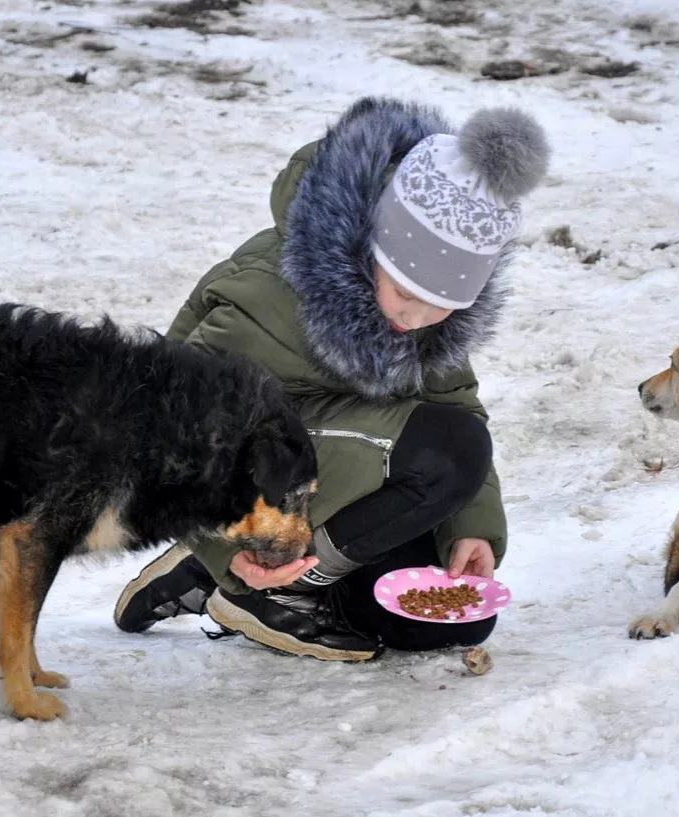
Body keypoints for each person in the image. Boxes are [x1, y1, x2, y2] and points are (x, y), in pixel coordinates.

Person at [113, 96, 549, 661]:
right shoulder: (271, 295)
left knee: (446, 626)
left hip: (343, 483)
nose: (415, 319)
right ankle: (258, 584)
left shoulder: (422, 312)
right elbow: (175, 437)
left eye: (441, 305)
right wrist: (228, 554)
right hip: (253, 468)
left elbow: (455, 399)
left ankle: (258, 583)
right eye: (407, 293)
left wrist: (470, 528)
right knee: (449, 448)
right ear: (372, 251)